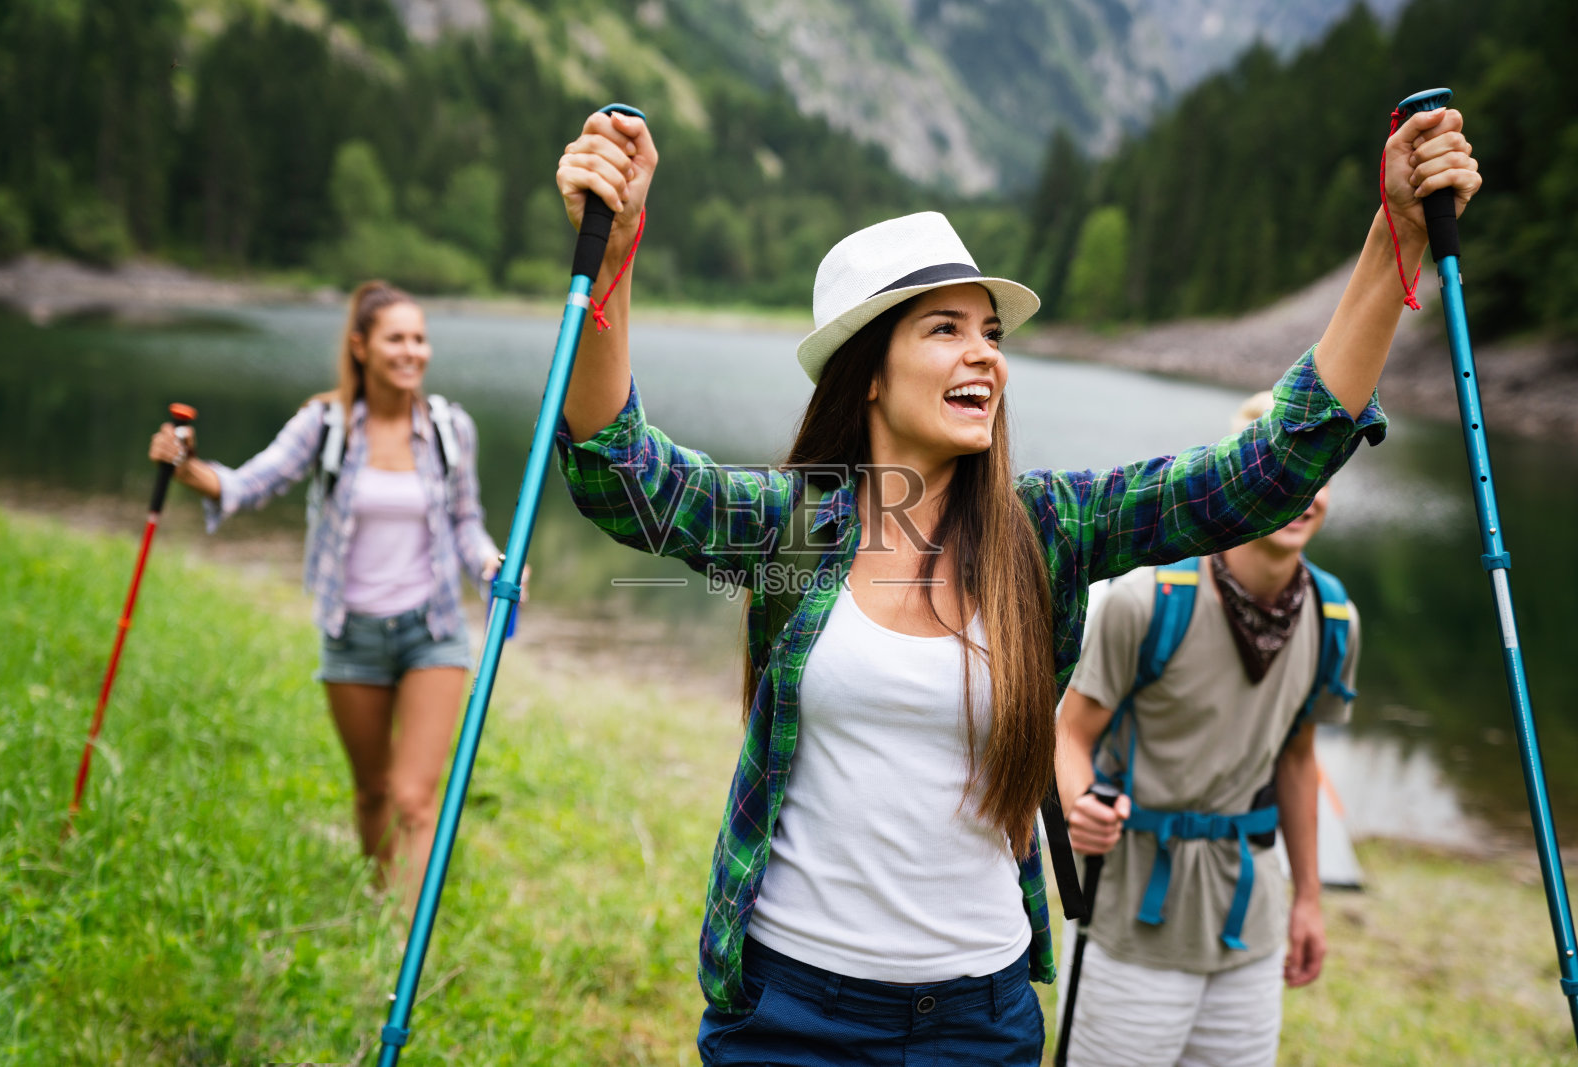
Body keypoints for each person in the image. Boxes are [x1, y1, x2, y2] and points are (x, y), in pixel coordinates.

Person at [551, 104, 1478, 1066]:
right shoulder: (793, 523)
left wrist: (1391, 238)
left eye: (990, 333)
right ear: (868, 374)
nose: (984, 354)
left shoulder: (1049, 529)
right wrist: (613, 251)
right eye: (944, 329)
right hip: (791, 1006)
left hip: (978, 1017)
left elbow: (1262, 472)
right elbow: (624, 474)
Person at [147, 281, 501, 915]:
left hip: (434, 629)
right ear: (361, 347)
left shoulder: (451, 428)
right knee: (371, 792)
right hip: (352, 634)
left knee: (417, 798)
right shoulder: (326, 425)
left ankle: (402, 943)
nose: (412, 351)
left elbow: (466, 521)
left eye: (420, 338)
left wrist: (490, 562)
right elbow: (249, 485)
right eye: (397, 338)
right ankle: (378, 902)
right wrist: (185, 467)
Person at [1052, 389, 1359, 1067]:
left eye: (1320, 475)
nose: (1304, 492)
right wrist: (1079, 805)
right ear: (1244, 480)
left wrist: (1308, 899)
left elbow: (1300, 762)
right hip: (1129, 921)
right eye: (1284, 472)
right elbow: (1068, 734)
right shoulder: (1148, 599)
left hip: (1250, 929)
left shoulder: (1334, 617)